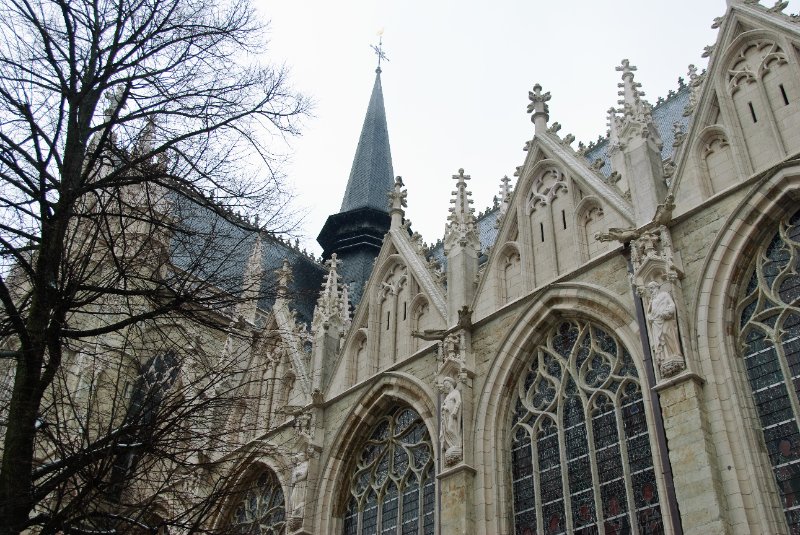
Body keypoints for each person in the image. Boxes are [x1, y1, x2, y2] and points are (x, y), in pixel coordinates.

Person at [440, 377, 462, 462]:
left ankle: (456, 444)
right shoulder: (448, 396)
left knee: (451, 428)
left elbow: (459, 401)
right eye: (444, 385)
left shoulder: (455, 392)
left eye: (446, 384)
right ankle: (451, 445)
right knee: (447, 430)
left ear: (451, 384)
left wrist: (455, 411)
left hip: (452, 414)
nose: (446, 386)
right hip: (446, 414)